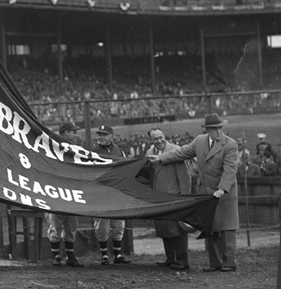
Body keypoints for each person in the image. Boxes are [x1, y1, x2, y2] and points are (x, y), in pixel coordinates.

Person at [148, 113, 239, 272]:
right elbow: (181, 152)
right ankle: (215, 263)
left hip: (224, 193)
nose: (218, 132)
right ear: (207, 130)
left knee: (226, 228)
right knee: (210, 227)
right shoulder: (200, 141)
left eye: (219, 128)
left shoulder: (230, 145)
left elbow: (230, 170)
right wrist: (161, 159)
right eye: (213, 129)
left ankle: (228, 263)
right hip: (206, 193)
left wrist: (221, 189)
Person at [145, 128, 190, 271]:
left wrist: (184, 198)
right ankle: (170, 259)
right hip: (158, 198)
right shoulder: (149, 153)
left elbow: (185, 177)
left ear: (165, 136)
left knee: (178, 229)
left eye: (160, 137)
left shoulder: (176, 150)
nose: (159, 141)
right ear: (151, 140)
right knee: (164, 229)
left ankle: (183, 261)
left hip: (174, 196)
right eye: (155, 139)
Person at [44, 121, 83, 267]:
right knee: (55, 226)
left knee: (71, 225)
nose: (75, 134)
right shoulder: (51, 147)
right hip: (54, 192)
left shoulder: (76, 149)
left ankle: (70, 257)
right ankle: (56, 257)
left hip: (71, 192)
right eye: (73, 131)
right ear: (66, 132)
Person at [92, 125, 131, 265]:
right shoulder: (93, 151)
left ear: (111, 136)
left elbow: (126, 167)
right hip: (101, 193)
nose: (101, 137)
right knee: (102, 226)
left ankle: (117, 254)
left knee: (118, 224)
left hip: (117, 192)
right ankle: (104, 256)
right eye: (99, 134)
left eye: (104, 134)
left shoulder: (119, 150)